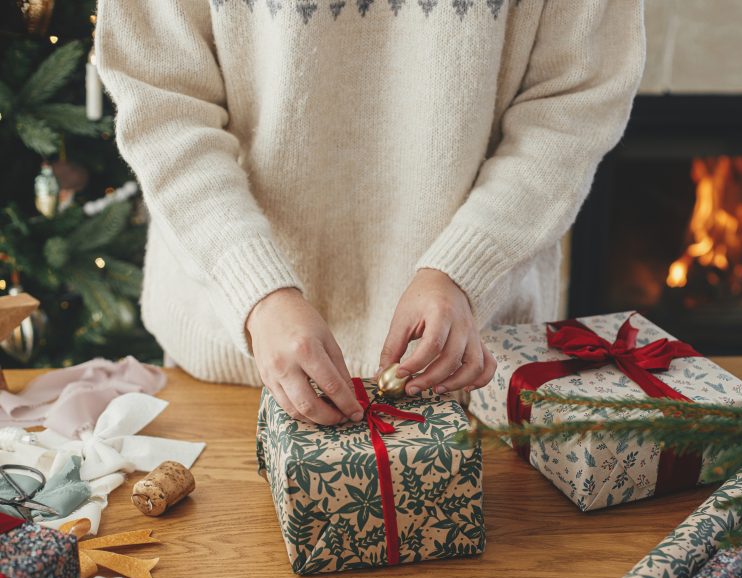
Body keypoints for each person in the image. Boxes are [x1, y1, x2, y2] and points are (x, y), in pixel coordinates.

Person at [95, 0, 644, 425]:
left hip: (475, 372)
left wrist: (463, 270)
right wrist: (256, 291)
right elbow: (163, 106)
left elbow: (573, 103)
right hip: (230, 365)